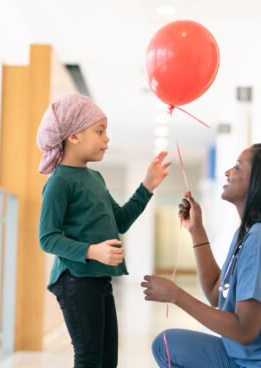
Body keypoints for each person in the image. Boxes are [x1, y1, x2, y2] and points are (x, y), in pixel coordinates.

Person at [141, 144, 261, 367]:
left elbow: (244, 330)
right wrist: (197, 229)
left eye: (238, 167)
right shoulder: (247, 233)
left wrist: (176, 295)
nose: (227, 172)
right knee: (166, 345)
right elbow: (216, 294)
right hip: (251, 356)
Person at [37, 93, 172, 368]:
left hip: (98, 279)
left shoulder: (95, 178)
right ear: (73, 136)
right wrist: (91, 251)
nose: (106, 139)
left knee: (108, 360)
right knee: (89, 358)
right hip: (74, 280)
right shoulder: (59, 182)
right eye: (100, 131)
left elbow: (119, 221)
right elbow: (47, 238)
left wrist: (147, 186)